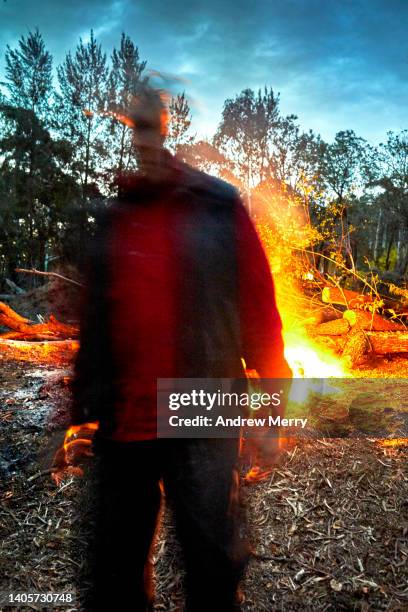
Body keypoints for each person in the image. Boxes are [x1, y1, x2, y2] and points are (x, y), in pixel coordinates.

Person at [69, 85, 291, 611]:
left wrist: (270, 410)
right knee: (115, 571)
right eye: (135, 127)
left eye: (152, 126)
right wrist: (76, 411)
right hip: (125, 415)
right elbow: (96, 324)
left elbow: (257, 308)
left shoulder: (215, 205)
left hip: (203, 404)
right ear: (128, 129)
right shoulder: (116, 218)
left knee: (212, 562)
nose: (144, 137)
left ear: (166, 127)